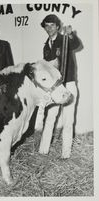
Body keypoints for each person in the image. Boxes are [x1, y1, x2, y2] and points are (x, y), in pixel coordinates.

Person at [37, 14, 81, 158]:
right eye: (47, 25)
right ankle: (43, 152)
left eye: (52, 25)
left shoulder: (65, 40)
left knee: (68, 121)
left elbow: (76, 45)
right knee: (50, 118)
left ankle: (65, 155)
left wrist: (71, 34)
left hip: (67, 84)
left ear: (58, 26)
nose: (49, 28)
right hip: (55, 87)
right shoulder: (45, 45)